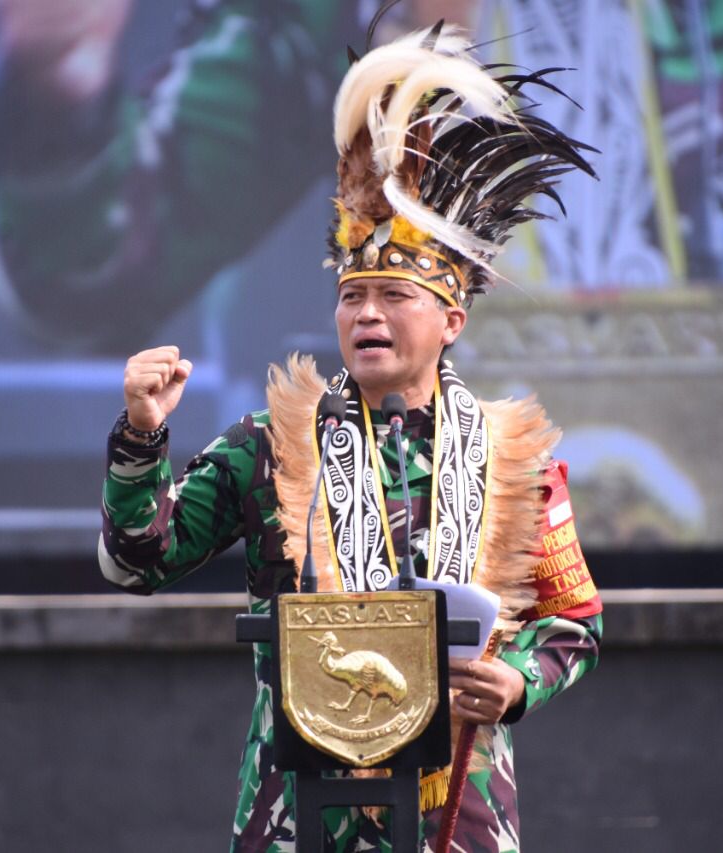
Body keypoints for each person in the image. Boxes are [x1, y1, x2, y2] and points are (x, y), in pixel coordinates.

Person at [98, 23, 602, 851]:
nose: (366, 312)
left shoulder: (513, 457)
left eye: (393, 295)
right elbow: (135, 562)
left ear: (451, 319)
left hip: (456, 814)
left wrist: (517, 681)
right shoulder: (271, 446)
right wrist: (140, 439)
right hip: (299, 815)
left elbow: (573, 619)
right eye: (352, 295)